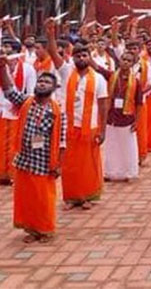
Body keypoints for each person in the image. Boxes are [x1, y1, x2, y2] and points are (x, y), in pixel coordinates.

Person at [0, 57, 65, 243]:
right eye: (41, 81)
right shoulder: (27, 102)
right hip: (25, 159)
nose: (42, 83)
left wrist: (58, 165)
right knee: (27, 198)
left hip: (44, 162)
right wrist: (2, 67)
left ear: (54, 88)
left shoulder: (57, 111)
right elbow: (9, 90)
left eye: (47, 82)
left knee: (43, 198)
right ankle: (32, 229)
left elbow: (62, 142)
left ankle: (45, 229)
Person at [47, 19, 108, 210]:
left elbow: (103, 104)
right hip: (69, 126)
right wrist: (50, 34)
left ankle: (87, 196)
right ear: (72, 58)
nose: (81, 58)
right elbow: (53, 53)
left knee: (88, 164)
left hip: (90, 127)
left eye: (84, 55)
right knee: (70, 164)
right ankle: (71, 197)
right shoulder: (66, 72)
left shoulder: (98, 78)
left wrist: (103, 130)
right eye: (78, 55)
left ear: (89, 57)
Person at [0, 38, 36, 186]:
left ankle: (13, 173)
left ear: (15, 53)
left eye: (7, 46)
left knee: (14, 145)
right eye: (3, 46)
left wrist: (24, 108)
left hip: (17, 111)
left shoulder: (28, 69)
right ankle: (1, 175)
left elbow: (31, 92)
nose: (4, 49)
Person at [103, 51, 143, 182]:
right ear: (119, 61)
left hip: (127, 118)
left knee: (128, 147)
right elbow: (98, 69)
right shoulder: (111, 76)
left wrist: (137, 121)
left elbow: (139, 103)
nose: (125, 62)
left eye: (129, 60)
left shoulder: (136, 82)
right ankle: (111, 173)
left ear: (132, 64)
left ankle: (130, 173)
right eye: (123, 59)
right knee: (111, 146)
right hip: (111, 117)